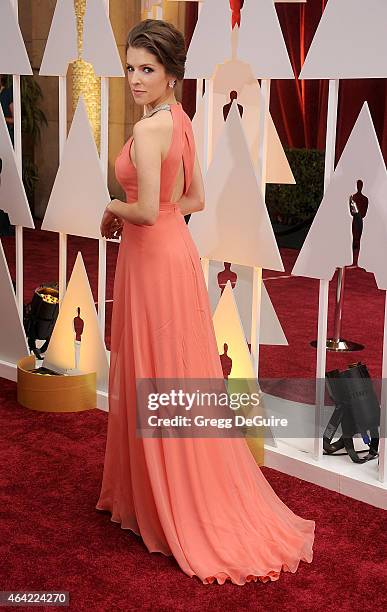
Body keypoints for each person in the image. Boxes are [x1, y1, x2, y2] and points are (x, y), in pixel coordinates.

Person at [96, 19, 314, 586]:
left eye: (148, 69)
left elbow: (144, 211)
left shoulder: (149, 131)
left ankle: (166, 498)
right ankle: (163, 489)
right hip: (177, 254)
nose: (135, 78)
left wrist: (112, 205)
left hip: (151, 257)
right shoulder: (180, 122)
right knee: (172, 371)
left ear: (171, 75)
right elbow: (189, 199)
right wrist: (146, 208)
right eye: (131, 67)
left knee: (151, 368)